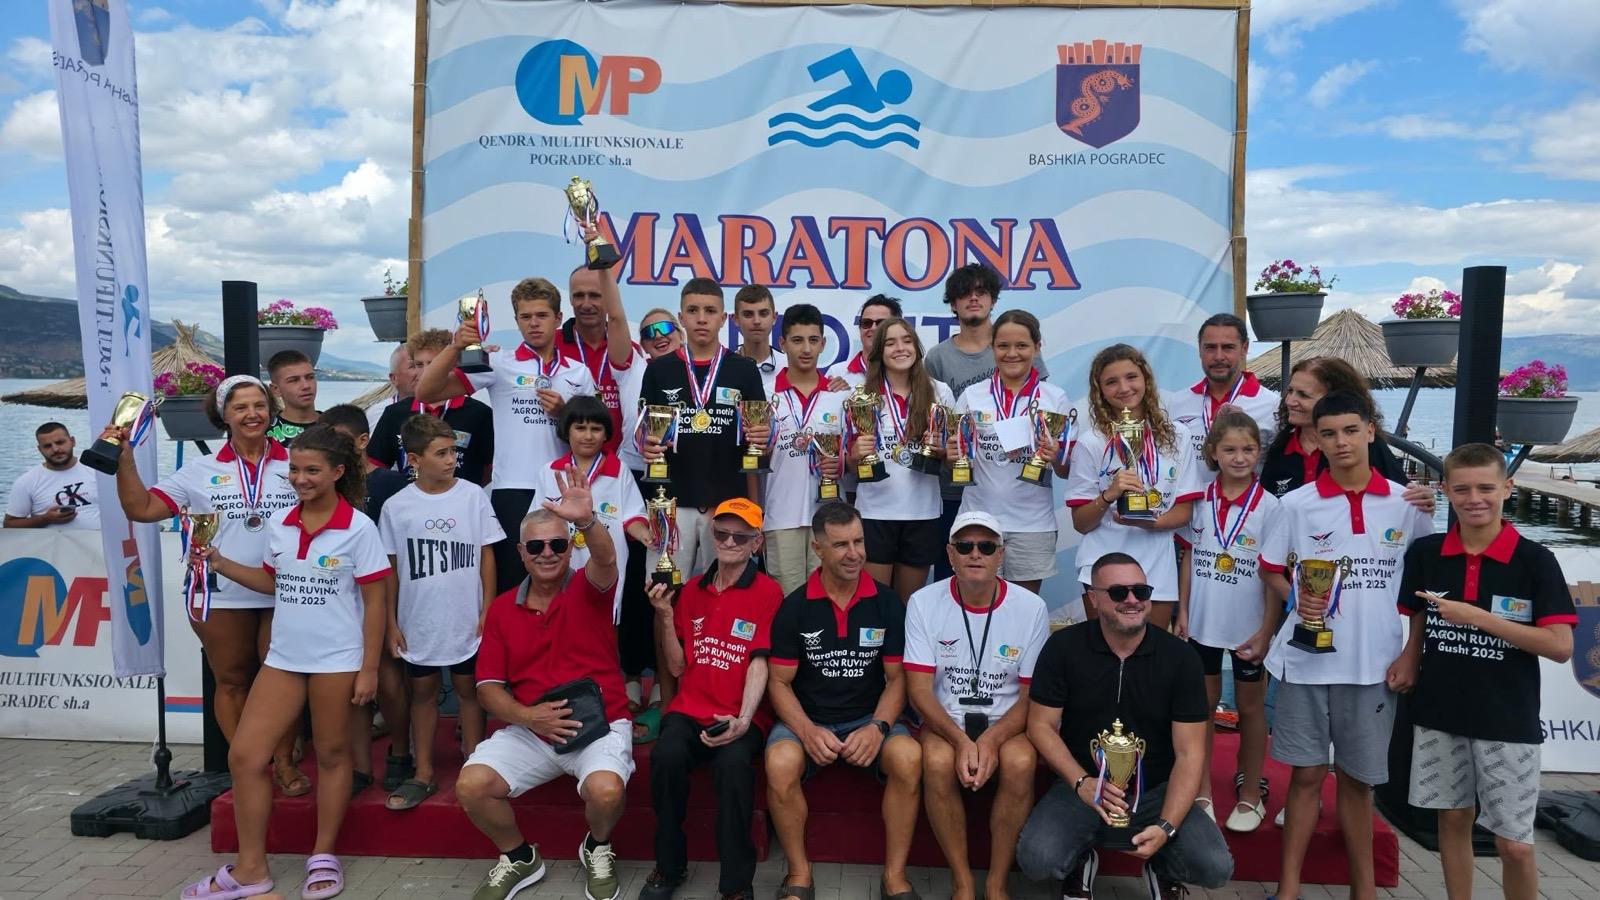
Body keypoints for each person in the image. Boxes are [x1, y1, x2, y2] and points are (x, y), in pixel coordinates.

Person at [185, 424, 390, 900]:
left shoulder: (359, 528)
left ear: (338, 472)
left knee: (333, 756)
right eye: (294, 469)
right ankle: (252, 868)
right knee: (245, 756)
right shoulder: (280, 523)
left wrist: (369, 669)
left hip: (337, 659)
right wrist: (218, 561)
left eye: (312, 470)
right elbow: (273, 582)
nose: (299, 478)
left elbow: (376, 602)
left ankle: (323, 854)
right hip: (284, 658)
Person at [1257, 391, 1433, 900]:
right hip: (1306, 662)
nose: (1341, 442)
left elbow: (1423, 591)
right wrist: (1298, 600)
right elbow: (1270, 569)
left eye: (1351, 431)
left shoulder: (1407, 504)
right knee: (1306, 777)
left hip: (1374, 665)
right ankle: (1287, 890)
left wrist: (1411, 653)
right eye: (1329, 433)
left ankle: (1364, 891)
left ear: (1371, 431)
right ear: (1316, 437)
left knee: (1359, 782)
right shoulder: (1296, 504)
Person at [104, 375, 304, 796]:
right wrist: (125, 459)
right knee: (231, 680)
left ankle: (285, 762)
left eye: (259, 405)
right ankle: (250, 766)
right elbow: (142, 508)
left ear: (272, 411)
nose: (252, 414)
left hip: (286, 590)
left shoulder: (296, 463)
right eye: (240, 407)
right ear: (223, 416)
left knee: (282, 678)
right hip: (220, 592)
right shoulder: (199, 471)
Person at [1393, 442, 1576, 900]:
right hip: (1439, 709)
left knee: (1513, 844)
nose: (1474, 498)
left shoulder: (1535, 560)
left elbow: (1560, 647)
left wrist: (1479, 618)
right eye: (1462, 489)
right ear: (1444, 491)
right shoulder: (1427, 552)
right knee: (1452, 820)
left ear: (1507, 488)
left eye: (1486, 488)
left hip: (1506, 717)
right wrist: (1410, 655)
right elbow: (1420, 612)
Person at [456, 467, 630, 900]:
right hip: (533, 729)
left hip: (600, 725)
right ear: (521, 552)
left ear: (570, 548)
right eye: (536, 546)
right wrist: (528, 716)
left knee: (606, 791)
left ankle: (597, 847)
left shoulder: (589, 588)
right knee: (472, 785)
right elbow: (487, 688)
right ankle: (519, 858)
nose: (547, 553)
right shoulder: (501, 609)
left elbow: (606, 559)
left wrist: (587, 521)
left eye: (558, 544)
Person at [1018, 552, 1232, 900]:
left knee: (1214, 867)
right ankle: (1080, 862)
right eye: (1119, 592)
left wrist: (1166, 826)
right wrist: (1081, 783)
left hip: (1157, 790)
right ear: (1093, 598)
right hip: (1083, 785)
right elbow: (1040, 726)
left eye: (1141, 591)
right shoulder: (1063, 647)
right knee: (1037, 860)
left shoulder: (1181, 658)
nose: (1132, 600)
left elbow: (1190, 752)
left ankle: (1162, 868)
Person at [765, 502, 922, 900]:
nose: (854, 554)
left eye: (859, 542)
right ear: (817, 548)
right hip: (809, 720)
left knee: (908, 757)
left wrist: (878, 727)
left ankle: (894, 877)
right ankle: (799, 875)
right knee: (780, 763)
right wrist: (806, 730)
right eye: (840, 545)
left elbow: (897, 678)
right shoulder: (794, 607)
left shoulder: (887, 602)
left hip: (869, 717)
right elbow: (779, 683)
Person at [639, 498, 785, 900]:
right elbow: (677, 666)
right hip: (690, 710)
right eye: (722, 533)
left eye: (741, 536)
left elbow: (759, 661)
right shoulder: (692, 589)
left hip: (740, 715)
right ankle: (669, 866)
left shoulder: (768, 591)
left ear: (756, 543)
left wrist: (743, 718)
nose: (730, 542)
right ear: (712, 535)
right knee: (666, 757)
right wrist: (665, 616)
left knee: (734, 769)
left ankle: (736, 885)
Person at [416, 276, 598, 594]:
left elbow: (594, 435)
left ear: (558, 318)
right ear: (516, 320)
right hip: (512, 488)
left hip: (561, 489)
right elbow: (426, 392)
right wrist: (455, 346)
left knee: (565, 582)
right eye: (525, 316)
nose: (534, 323)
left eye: (542, 315)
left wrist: (564, 413)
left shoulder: (577, 372)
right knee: (514, 584)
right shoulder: (498, 362)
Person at [904, 511, 1049, 900]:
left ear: (1001, 554)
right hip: (945, 720)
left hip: (1007, 722)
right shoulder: (923, 602)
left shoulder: (1031, 607)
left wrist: (990, 740)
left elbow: (1031, 697)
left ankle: (997, 883)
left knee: (1020, 762)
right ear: (949, 553)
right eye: (965, 546)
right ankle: (962, 882)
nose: (975, 554)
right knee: (936, 762)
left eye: (986, 546)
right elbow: (919, 691)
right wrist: (960, 740)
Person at [378, 413, 502, 812]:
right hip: (420, 619)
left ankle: (474, 765)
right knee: (422, 693)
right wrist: (391, 622)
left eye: (453, 452)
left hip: (466, 616)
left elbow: (486, 555)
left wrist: (488, 608)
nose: (451, 460)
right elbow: (390, 569)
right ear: (415, 459)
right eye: (441, 453)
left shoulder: (473, 496)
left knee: (470, 690)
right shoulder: (397, 507)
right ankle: (424, 772)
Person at [1174, 409, 1281, 831]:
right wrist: (1183, 610)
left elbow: (1273, 574)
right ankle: (1200, 789)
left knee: (1251, 709)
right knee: (1201, 709)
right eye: (1230, 450)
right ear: (1213, 453)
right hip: (1202, 623)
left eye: (1248, 450)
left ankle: (1250, 792)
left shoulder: (1271, 507)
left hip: (1248, 627)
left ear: (1258, 453)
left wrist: (1267, 630)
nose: (1240, 458)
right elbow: (1187, 557)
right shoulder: (1198, 500)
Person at [924, 265, 1050, 581]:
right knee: (960, 583)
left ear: (993, 299)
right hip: (956, 490)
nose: (973, 298)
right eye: (964, 293)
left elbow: (1041, 409)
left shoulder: (1017, 347)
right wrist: (946, 450)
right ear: (952, 303)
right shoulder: (937, 357)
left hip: (1018, 488)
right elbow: (936, 422)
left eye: (981, 292)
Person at [638, 278, 769, 577]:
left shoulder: (744, 369)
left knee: (725, 591)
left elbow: (758, 445)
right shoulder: (658, 370)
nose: (701, 318)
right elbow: (645, 433)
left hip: (728, 506)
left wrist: (755, 509)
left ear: (723, 319)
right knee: (663, 589)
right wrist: (646, 444)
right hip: (670, 502)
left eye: (710, 311)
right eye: (692, 310)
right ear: (681, 317)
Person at [1066, 343, 1201, 626]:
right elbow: (1080, 522)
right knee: (1102, 649)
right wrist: (1109, 495)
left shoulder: (1178, 436)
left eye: (1131, 377)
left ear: (1146, 379)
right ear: (1100, 391)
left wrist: (1148, 522)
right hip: (1102, 562)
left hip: (1157, 562)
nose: (1124, 388)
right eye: (1111, 382)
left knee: (1153, 649)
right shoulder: (1092, 443)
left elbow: (1184, 511)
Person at [321, 403, 413, 794]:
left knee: (389, 683)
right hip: (339, 598)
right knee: (351, 686)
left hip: (384, 594)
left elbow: (403, 547)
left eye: (342, 440)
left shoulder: (391, 483)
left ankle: (401, 750)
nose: (335, 449)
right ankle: (360, 765)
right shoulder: (328, 485)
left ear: (363, 441)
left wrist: (394, 611)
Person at [954, 311, 1074, 594]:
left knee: (1023, 608)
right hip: (977, 520)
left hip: (1032, 524)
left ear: (1037, 347)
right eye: (1003, 346)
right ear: (992, 347)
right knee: (975, 605)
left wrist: (1056, 454)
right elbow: (956, 460)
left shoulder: (1054, 398)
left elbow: (1066, 469)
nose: (1012, 354)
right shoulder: (972, 395)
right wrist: (951, 454)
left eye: (1021, 345)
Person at [854, 317, 956, 600]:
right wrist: (856, 453)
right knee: (877, 604)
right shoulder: (861, 395)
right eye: (890, 343)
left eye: (907, 340)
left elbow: (952, 456)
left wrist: (942, 451)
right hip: (875, 513)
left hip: (922, 513)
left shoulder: (939, 391)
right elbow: (849, 463)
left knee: (908, 604)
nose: (900, 348)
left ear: (917, 347)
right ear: (879, 352)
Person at [616, 309, 685, 734]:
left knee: (683, 589)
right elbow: (615, 315)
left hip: (690, 489)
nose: (658, 335)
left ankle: (670, 685)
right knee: (642, 588)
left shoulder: (704, 368)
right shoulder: (633, 368)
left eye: (665, 328)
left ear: (680, 332)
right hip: (640, 482)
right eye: (649, 332)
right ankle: (640, 680)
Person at [1260, 356, 1433, 517]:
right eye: (1290, 391)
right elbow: (1267, 508)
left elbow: (1405, 503)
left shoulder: (1366, 447)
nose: (1290, 401)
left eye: (1303, 395)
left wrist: (1425, 501)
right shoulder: (1281, 448)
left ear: (1334, 399)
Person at [534, 396, 650, 622]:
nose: (588, 436)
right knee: (559, 619)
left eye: (596, 429)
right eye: (580, 428)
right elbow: (537, 520)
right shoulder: (549, 472)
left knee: (603, 623)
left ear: (606, 434)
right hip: (560, 559)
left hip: (606, 562)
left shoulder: (620, 470)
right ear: (566, 431)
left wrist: (646, 534)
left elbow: (633, 516)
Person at [763, 304, 846, 596]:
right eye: (797, 340)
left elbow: (854, 455)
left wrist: (842, 464)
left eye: (813, 340)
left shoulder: (841, 396)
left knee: (827, 600)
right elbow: (754, 457)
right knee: (786, 602)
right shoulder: (765, 395)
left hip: (829, 518)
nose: (806, 349)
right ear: (782, 343)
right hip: (780, 516)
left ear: (823, 343)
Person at [369, 328, 494, 487]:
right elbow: (375, 466)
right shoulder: (395, 412)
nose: (425, 371)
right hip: (409, 497)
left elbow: (488, 469)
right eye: (418, 364)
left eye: (433, 363)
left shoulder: (479, 413)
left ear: (452, 364)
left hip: (461, 498)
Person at [1164, 313, 1280, 469]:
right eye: (1210, 347)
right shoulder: (1177, 402)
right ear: (1200, 349)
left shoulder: (1272, 405)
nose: (1219, 356)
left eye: (1228, 347)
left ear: (1244, 348)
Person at [558, 259, 638, 455]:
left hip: (618, 465)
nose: (586, 304)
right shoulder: (551, 346)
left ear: (608, 297)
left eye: (595, 295)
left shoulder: (630, 350)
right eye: (579, 296)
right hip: (565, 463)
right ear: (570, 299)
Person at [4, 422, 100, 529]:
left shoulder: (96, 471)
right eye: (47, 446)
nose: (55, 449)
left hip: (99, 539)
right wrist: (46, 519)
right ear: (40, 449)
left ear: (73, 441)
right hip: (52, 540)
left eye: (60, 442)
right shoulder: (26, 482)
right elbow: (9, 525)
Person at [826, 293, 901, 391]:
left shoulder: (905, 372)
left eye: (881, 323)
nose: (873, 328)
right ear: (860, 327)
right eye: (867, 323)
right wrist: (841, 396)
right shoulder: (837, 372)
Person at [732, 284, 786, 396]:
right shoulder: (725, 367)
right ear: (736, 319)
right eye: (748, 314)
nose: (756, 321)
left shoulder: (789, 366)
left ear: (774, 317)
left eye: (763, 313)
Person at [264, 349, 320, 443]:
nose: (306, 386)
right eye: (294, 380)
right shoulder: (265, 435)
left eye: (310, 377)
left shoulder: (337, 427)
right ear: (275, 389)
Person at [367, 344, 412, 429]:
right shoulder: (379, 412)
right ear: (394, 378)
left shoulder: (437, 409)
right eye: (412, 366)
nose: (421, 372)